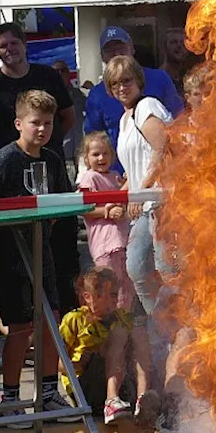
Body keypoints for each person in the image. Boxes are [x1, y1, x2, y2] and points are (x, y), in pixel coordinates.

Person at [0, 90, 80, 424]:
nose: (41, 129)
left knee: (51, 323)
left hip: (43, 254)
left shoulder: (52, 160)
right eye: (35, 122)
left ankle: (48, 394)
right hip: (10, 259)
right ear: (19, 123)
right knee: (21, 329)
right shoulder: (1, 163)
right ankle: (10, 398)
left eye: (48, 123)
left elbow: (63, 202)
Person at [107, 56, 175, 316]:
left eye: (126, 80)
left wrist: (140, 191)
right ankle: (161, 325)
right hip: (145, 203)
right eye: (115, 84)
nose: (122, 87)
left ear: (138, 80)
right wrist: (121, 195)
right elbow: (134, 168)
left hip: (163, 201)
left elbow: (162, 151)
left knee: (167, 269)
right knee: (137, 268)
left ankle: (179, 330)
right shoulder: (124, 120)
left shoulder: (147, 106)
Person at [59, 267, 157, 425]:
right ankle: (111, 401)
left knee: (138, 333)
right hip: (86, 386)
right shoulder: (75, 319)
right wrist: (79, 362)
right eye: (109, 295)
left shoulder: (121, 317)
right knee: (119, 333)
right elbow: (58, 364)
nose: (114, 301)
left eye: (116, 295)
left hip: (121, 378)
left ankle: (142, 398)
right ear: (89, 297)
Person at [83, 27, 184, 173]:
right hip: (118, 175)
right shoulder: (97, 95)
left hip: (156, 180)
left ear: (132, 49)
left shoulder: (159, 79)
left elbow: (178, 121)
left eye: (121, 47)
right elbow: (93, 139)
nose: (117, 54)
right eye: (110, 50)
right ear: (102, 56)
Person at [0, 23, 77, 156]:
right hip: (9, 162)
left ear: (24, 45)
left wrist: (52, 139)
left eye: (14, 43)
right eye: (3, 46)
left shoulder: (49, 76)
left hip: (50, 158)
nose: (9, 49)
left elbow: (69, 117)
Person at [77, 132, 134, 310]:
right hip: (104, 244)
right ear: (86, 158)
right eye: (95, 154)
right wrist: (107, 212)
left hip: (122, 240)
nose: (101, 158)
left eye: (105, 153)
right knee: (108, 285)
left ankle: (125, 320)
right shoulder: (89, 177)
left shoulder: (115, 175)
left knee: (126, 284)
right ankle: (109, 320)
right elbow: (85, 209)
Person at [52, 60, 88, 163]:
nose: (60, 74)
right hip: (61, 149)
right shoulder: (48, 96)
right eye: (56, 71)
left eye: (62, 70)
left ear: (68, 73)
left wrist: (92, 90)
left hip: (79, 147)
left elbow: (90, 109)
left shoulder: (77, 93)